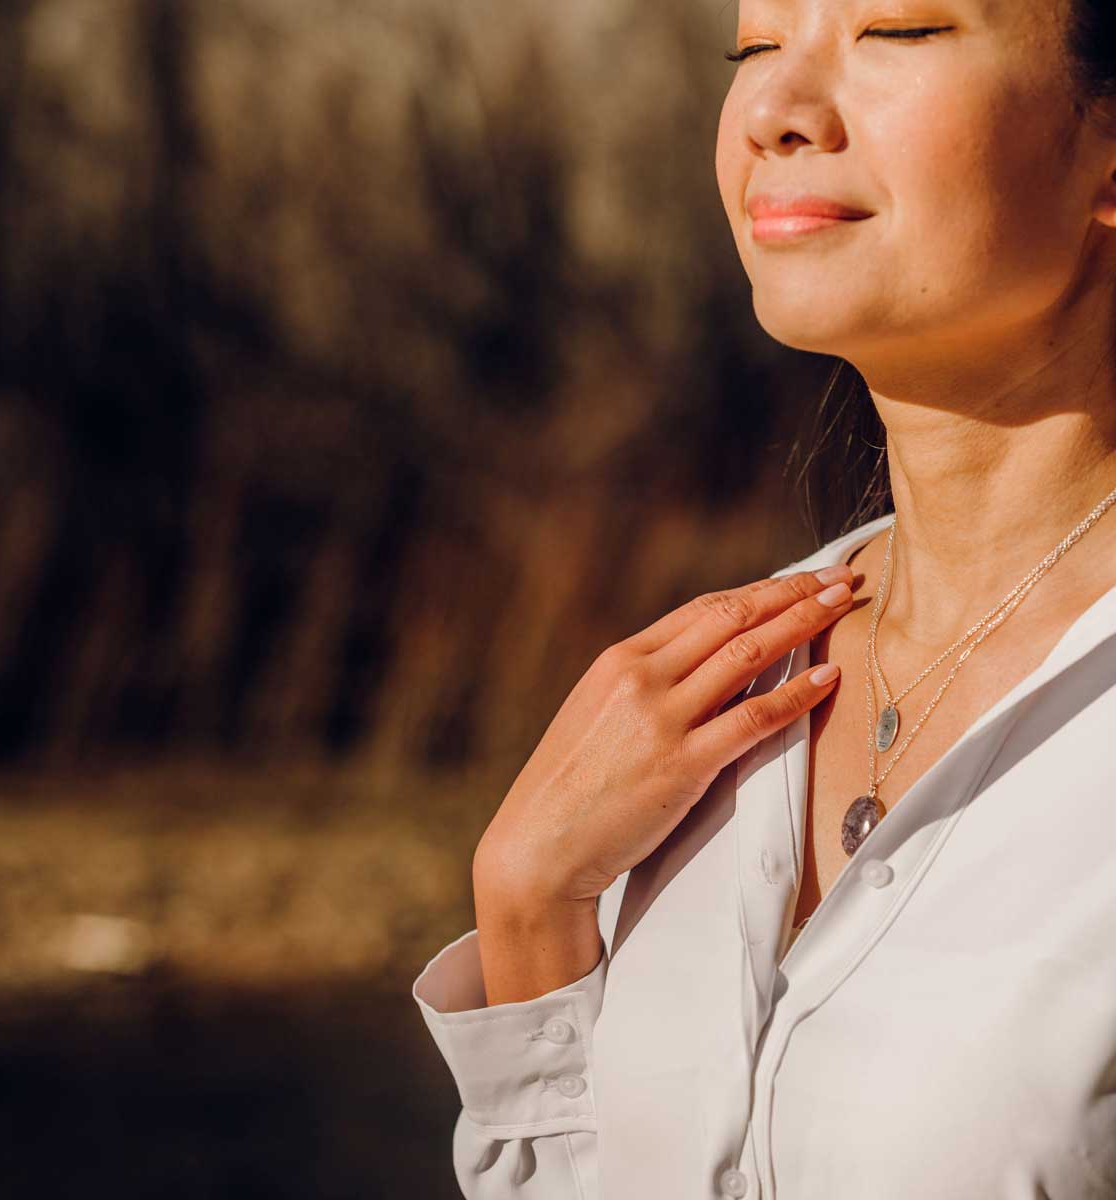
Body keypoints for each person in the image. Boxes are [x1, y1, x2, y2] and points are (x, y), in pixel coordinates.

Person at [412, 1, 1116, 1196]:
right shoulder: (719, 689)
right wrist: (533, 915)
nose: (775, 112)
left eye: (897, 31)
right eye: (752, 48)